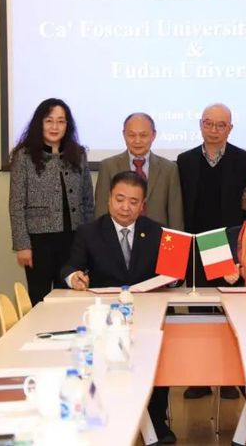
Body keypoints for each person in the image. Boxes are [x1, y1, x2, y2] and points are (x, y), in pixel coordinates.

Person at [62, 171, 174, 444]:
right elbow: (70, 266)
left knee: (157, 360)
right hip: (107, 317)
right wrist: (74, 277)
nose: (125, 207)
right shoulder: (89, 232)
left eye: (133, 202)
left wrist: (173, 276)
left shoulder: (158, 231)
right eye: (120, 199)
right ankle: (107, 416)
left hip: (148, 313)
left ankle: (157, 421)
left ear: (142, 204)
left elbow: (173, 274)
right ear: (109, 199)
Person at [176, 103, 246, 400]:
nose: (213, 130)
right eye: (208, 123)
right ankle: (200, 378)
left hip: (228, 245)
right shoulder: (184, 160)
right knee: (198, 314)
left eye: (220, 125)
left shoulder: (244, 160)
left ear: (230, 129)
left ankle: (227, 378)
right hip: (195, 244)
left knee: (227, 313)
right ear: (200, 124)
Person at [9, 98, 94, 305]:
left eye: (61, 121)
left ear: (67, 125)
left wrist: (89, 241)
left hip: (73, 239)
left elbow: (87, 200)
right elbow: (16, 203)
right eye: (49, 121)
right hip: (39, 241)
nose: (55, 127)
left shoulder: (78, 153)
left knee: (70, 297)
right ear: (39, 123)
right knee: (39, 298)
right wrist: (22, 245)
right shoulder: (24, 156)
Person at [95, 112, 183, 229]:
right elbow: (101, 212)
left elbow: (175, 216)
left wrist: (177, 239)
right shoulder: (108, 166)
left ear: (153, 135)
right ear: (124, 135)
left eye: (143, 135)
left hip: (157, 236)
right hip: (118, 236)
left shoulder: (169, 169)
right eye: (132, 135)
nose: (137, 141)